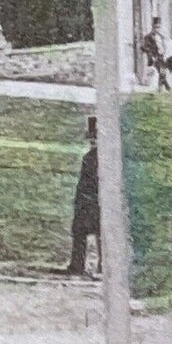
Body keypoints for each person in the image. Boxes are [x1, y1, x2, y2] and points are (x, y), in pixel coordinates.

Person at [68, 117, 100, 277]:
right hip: (95, 203)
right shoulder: (92, 158)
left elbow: (85, 184)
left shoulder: (90, 159)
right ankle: (100, 265)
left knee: (80, 232)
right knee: (99, 234)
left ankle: (77, 265)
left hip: (90, 203)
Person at [142, 16, 172, 91]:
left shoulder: (161, 36)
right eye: (156, 27)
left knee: (162, 72)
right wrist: (150, 54)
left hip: (162, 57)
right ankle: (167, 88)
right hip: (155, 58)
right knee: (162, 71)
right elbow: (144, 47)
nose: (157, 29)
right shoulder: (148, 37)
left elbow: (165, 45)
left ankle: (160, 89)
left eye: (159, 27)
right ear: (153, 27)